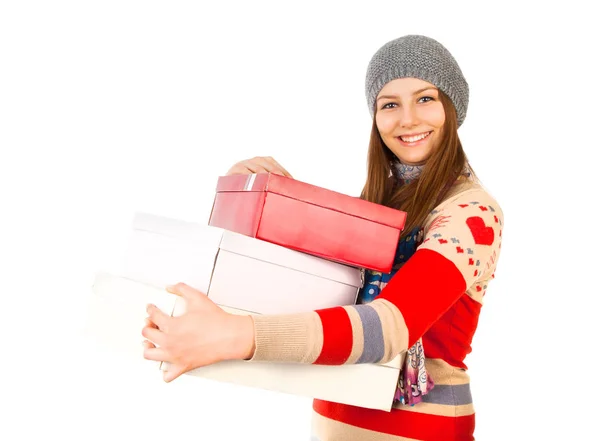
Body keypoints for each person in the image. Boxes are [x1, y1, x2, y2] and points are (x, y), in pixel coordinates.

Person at [141, 34, 504, 441]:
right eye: (389, 104)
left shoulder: (472, 214)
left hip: (421, 431)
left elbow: (388, 328)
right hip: (336, 421)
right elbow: (312, 285)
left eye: (424, 99)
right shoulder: (378, 206)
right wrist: (258, 194)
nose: (407, 119)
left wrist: (233, 336)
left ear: (452, 108)